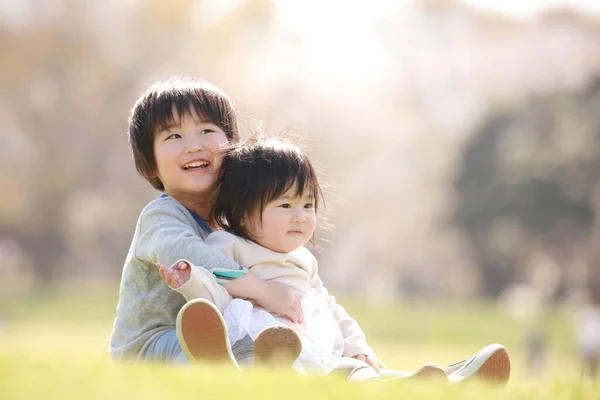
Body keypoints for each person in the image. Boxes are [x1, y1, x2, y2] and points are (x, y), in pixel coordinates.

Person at [157, 138, 512, 384]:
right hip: (258, 340)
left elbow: (330, 308)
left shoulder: (304, 261)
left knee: (356, 375)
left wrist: (359, 349)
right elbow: (217, 280)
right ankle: (268, 370)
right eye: (284, 205)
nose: (301, 216)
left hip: (316, 346)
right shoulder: (231, 244)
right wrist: (189, 280)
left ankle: (421, 383)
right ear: (243, 213)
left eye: (308, 205)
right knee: (264, 354)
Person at [109, 77, 306, 365]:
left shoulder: (233, 220)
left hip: (226, 332)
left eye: (207, 130)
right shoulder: (160, 217)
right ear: (150, 161)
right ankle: (221, 361)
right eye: (174, 136)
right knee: (203, 346)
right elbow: (192, 257)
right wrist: (263, 290)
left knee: (249, 345)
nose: (193, 145)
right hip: (152, 343)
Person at [574, 285, 600, 379]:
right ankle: (587, 377)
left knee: (592, 363)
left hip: (592, 342)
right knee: (587, 363)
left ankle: (590, 377)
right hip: (589, 342)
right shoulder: (588, 312)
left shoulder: (591, 312)